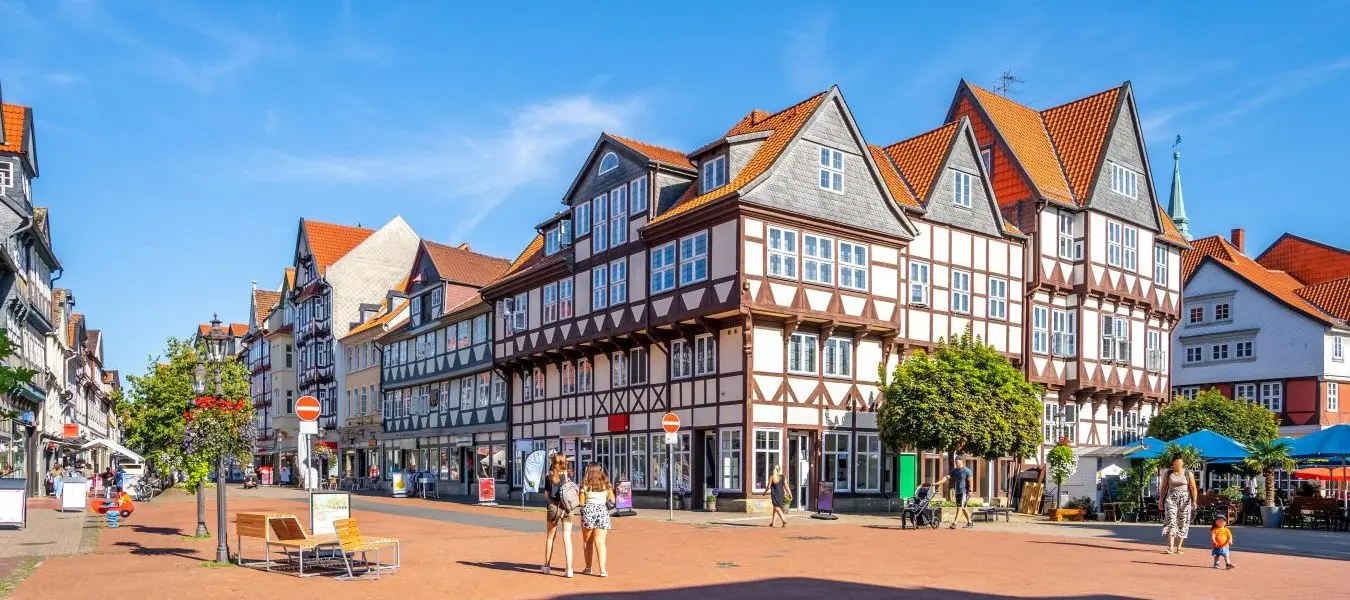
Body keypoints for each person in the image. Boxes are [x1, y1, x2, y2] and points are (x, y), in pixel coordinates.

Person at [541, 453, 575, 577]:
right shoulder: (569, 475)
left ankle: (547, 565)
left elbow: (546, 494)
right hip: (567, 507)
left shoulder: (549, 476)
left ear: (553, 461)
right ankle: (569, 569)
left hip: (554, 506)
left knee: (550, 537)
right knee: (567, 537)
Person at [578, 463, 615, 577]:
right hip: (602, 512)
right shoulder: (606, 484)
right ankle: (603, 569)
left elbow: (581, 503)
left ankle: (588, 567)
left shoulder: (584, 485)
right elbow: (612, 499)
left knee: (587, 541)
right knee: (600, 542)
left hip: (589, 512)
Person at [1160, 457, 1198, 554]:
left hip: (1185, 498)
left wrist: (1194, 501)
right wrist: (1160, 501)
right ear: (1173, 463)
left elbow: (1193, 488)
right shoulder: (1168, 473)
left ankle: (1179, 547)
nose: (1177, 465)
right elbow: (1164, 488)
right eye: (1175, 463)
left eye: (1179, 463)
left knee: (1183, 521)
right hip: (1171, 498)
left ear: (1182, 463)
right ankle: (1170, 547)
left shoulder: (1188, 473)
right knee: (1171, 520)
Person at [936, 459, 975, 529]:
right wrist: (937, 483)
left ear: (962, 462)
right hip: (957, 491)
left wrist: (970, 490)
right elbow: (946, 477)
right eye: (956, 462)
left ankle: (955, 523)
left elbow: (971, 481)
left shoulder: (967, 470)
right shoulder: (954, 470)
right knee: (964, 507)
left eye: (958, 462)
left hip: (964, 492)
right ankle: (970, 522)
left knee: (960, 507)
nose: (956, 463)